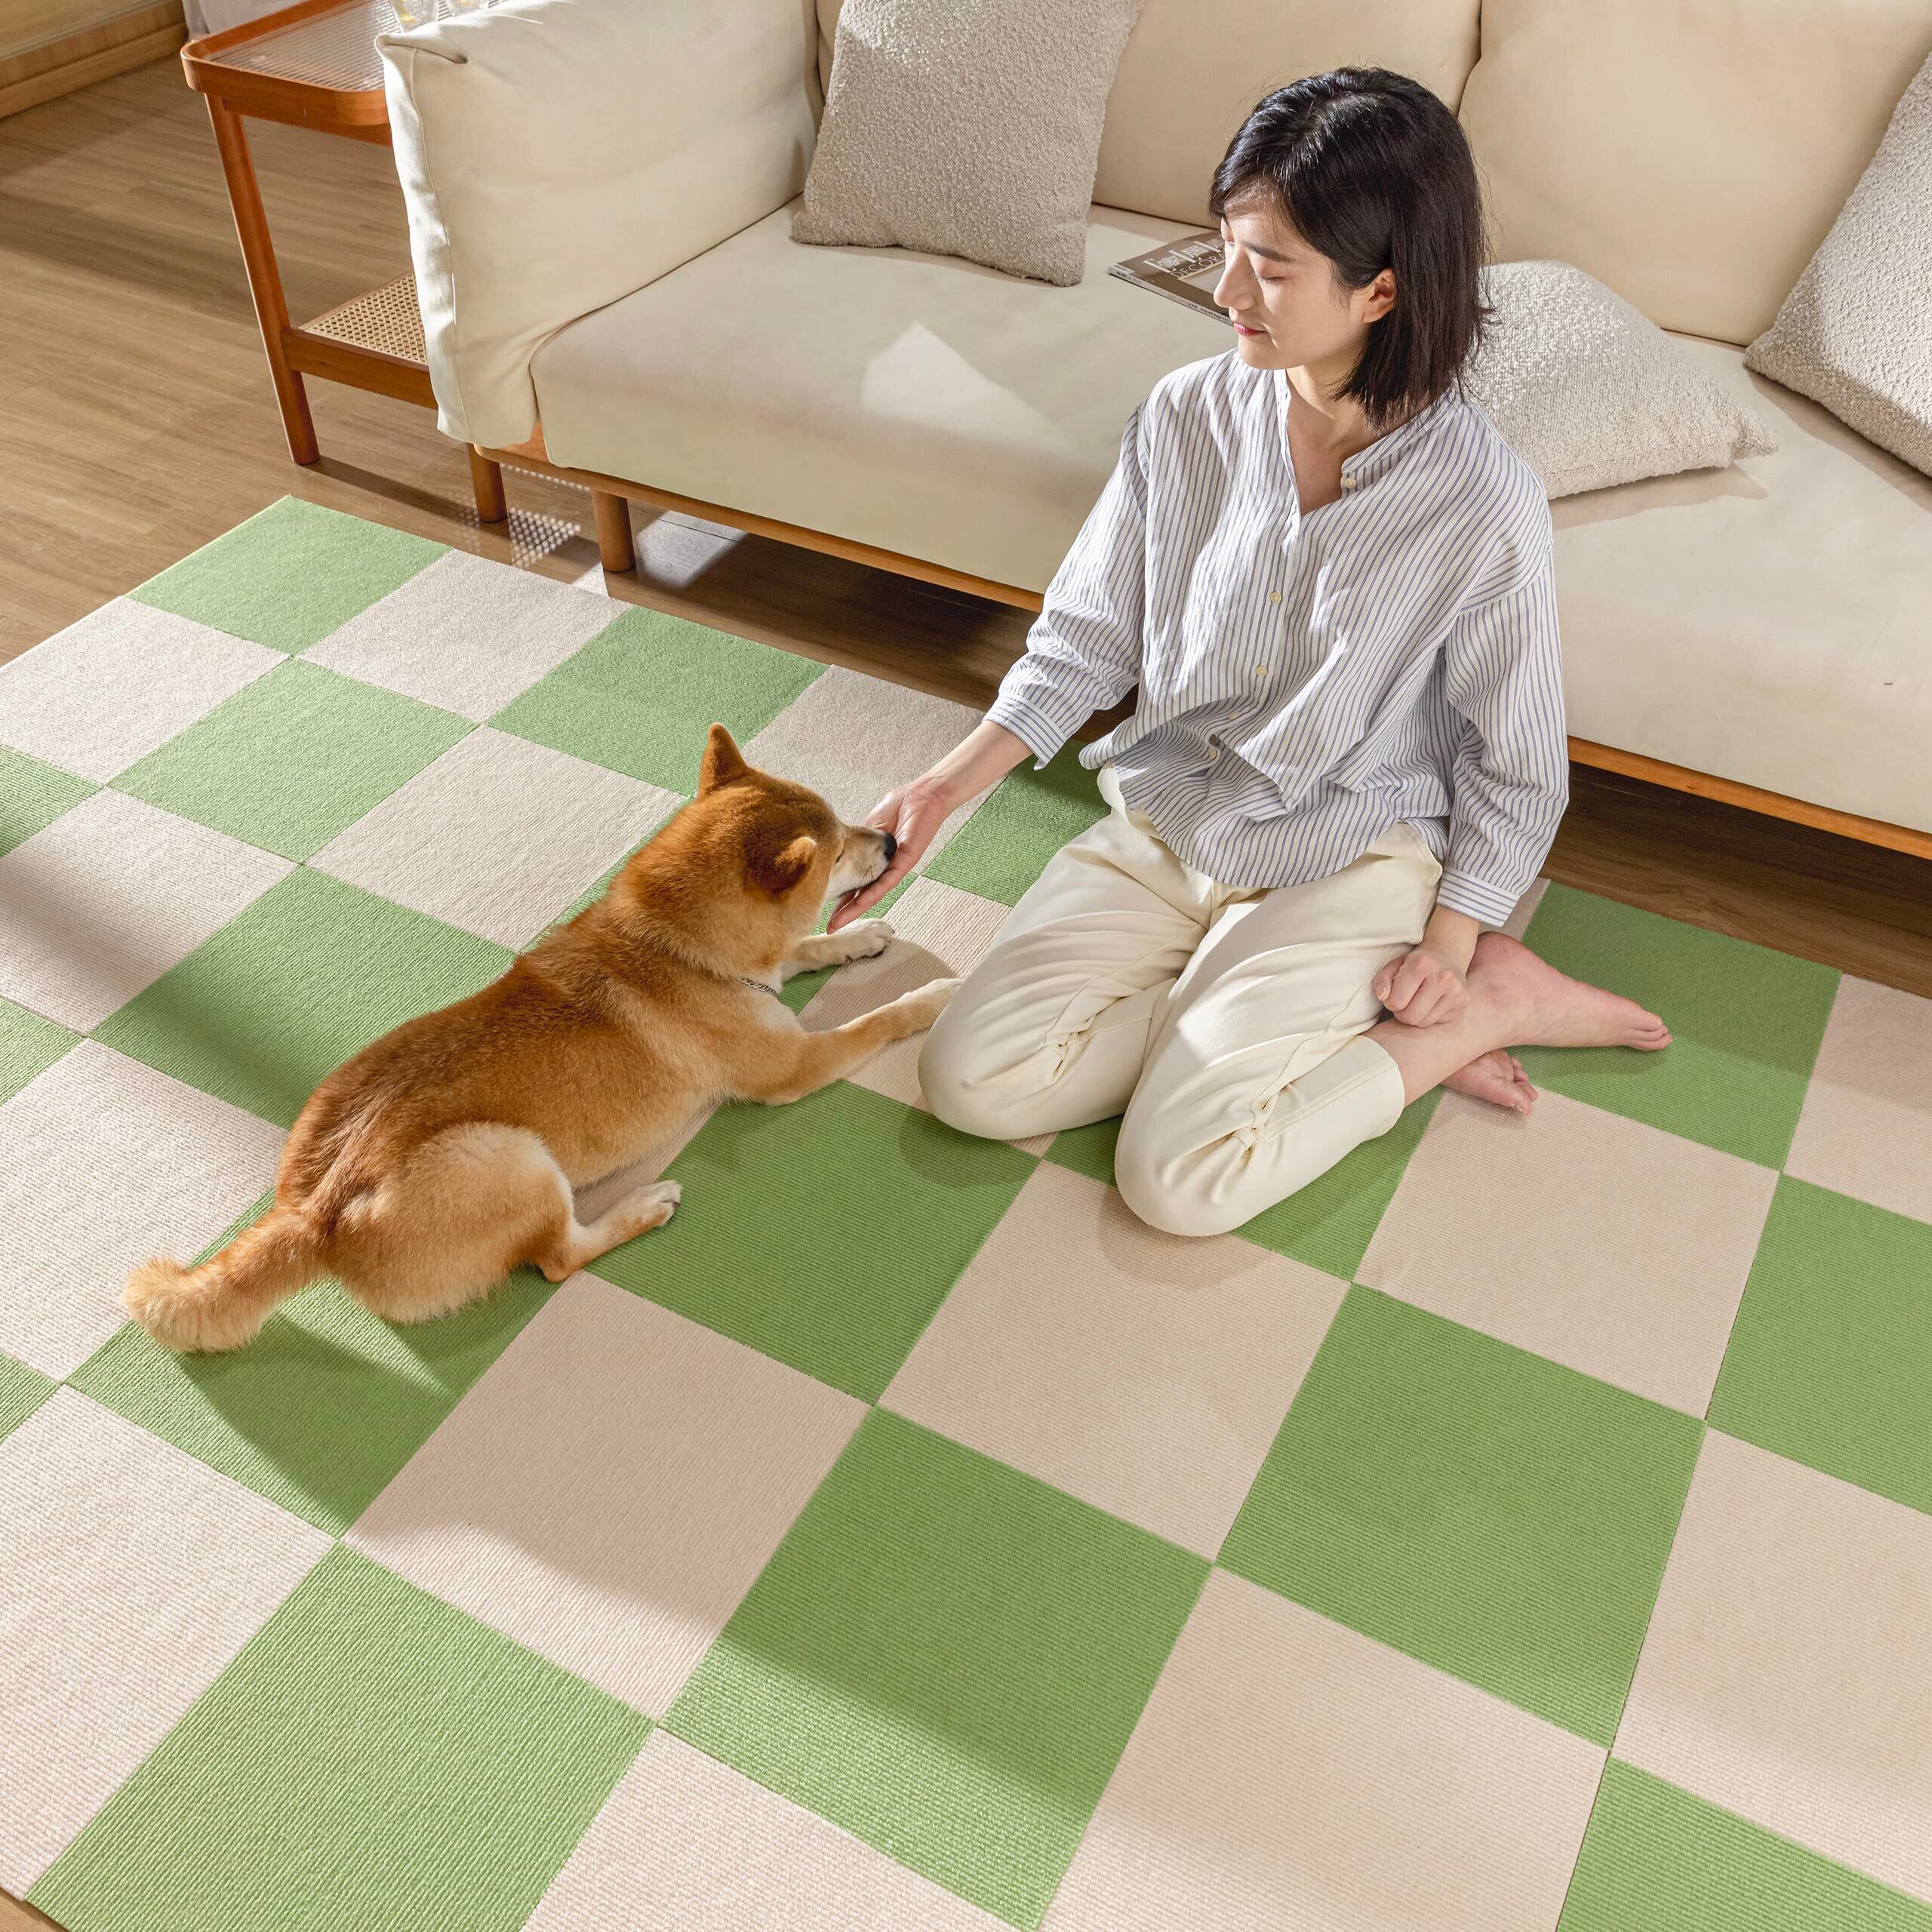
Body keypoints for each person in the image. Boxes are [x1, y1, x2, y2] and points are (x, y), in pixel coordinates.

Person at [826, 66, 1671, 1240]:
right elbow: (1089, 632)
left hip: (1347, 852)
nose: (1225, 289)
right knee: (971, 1081)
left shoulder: (1482, 502)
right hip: (1175, 823)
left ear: (1380, 290)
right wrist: (943, 786)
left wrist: (1450, 942)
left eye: (1268, 267)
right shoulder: (1186, 416)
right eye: (1225, 246)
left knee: (1179, 1181)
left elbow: (1515, 759)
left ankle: (1483, 1011)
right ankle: (1253, 1013)